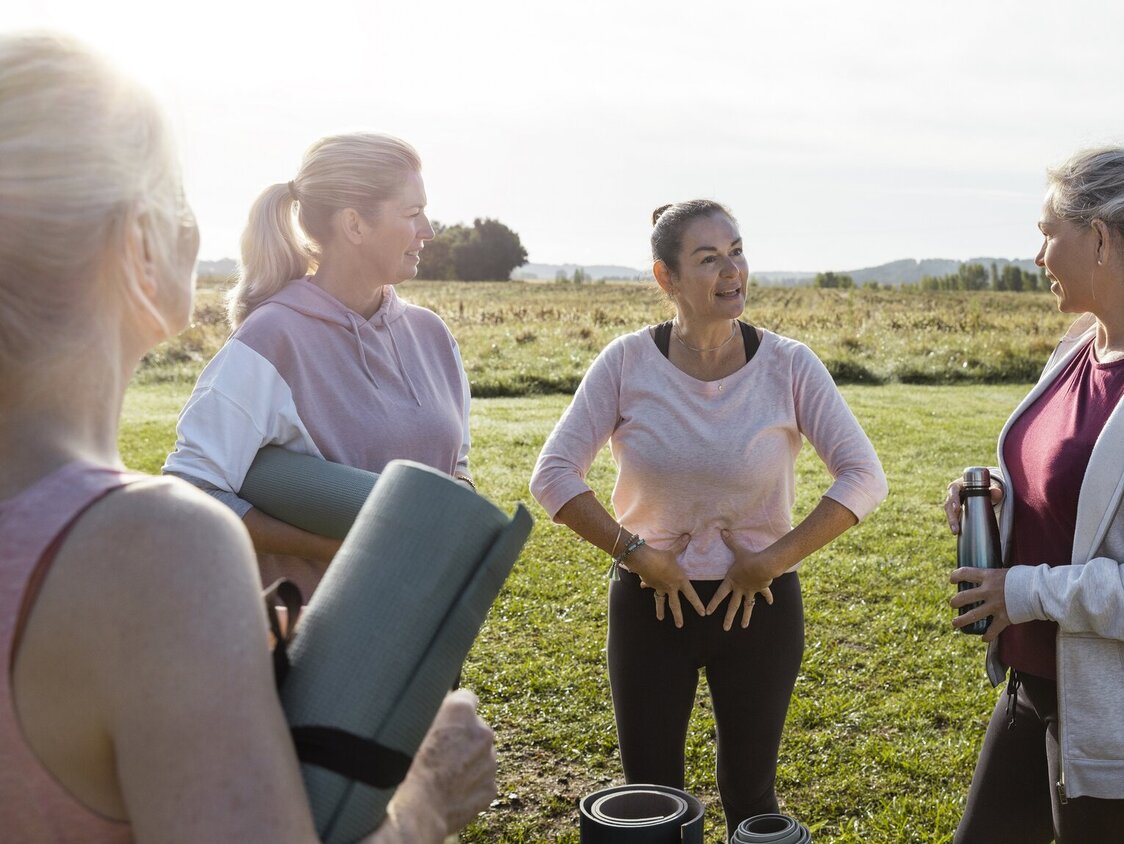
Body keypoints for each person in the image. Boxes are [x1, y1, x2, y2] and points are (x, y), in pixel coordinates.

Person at [0, 32, 495, 843]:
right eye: (176, 197)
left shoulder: (429, 335)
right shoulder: (160, 552)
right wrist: (427, 802)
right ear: (141, 249)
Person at [529, 200, 888, 834]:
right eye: (708, 258)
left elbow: (864, 476)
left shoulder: (789, 365)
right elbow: (553, 475)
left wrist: (769, 563)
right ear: (665, 278)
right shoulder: (625, 364)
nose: (733, 270)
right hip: (649, 602)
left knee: (751, 793)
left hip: (760, 605)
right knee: (648, 798)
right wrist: (638, 555)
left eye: (738, 251)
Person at [162, 131, 474, 598]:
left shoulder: (432, 336)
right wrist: (335, 547)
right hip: (315, 644)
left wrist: (459, 505)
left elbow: (457, 465)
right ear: (354, 225)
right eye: (412, 214)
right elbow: (190, 493)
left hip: (426, 628)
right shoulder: (272, 339)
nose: (428, 230)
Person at [945, 147, 1124, 843]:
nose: (1039, 254)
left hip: (1109, 725)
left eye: (1049, 231)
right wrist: (995, 495)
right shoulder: (1079, 346)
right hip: (1033, 683)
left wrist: (1023, 592)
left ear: (1102, 239)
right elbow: (1066, 491)